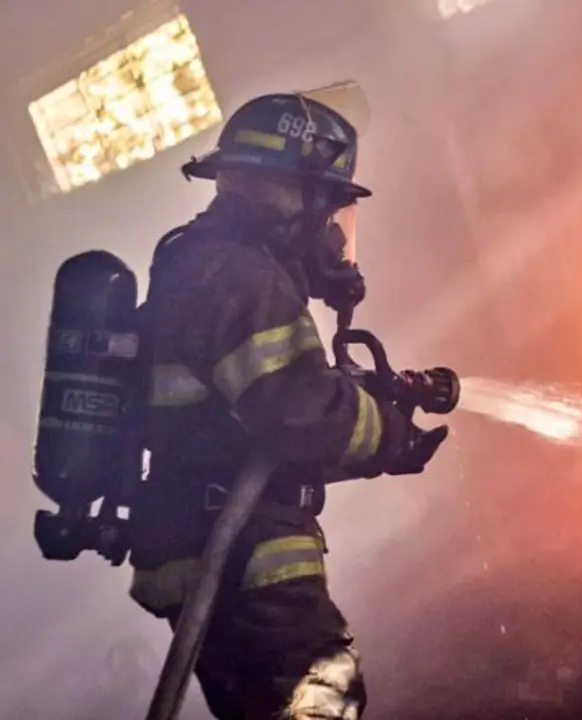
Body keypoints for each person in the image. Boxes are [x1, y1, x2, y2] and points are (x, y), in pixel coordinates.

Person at [127, 92, 449, 719]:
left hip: (229, 547)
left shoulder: (214, 265)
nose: (331, 226)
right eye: (324, 201)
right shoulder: (232, 273)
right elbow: (298, 411)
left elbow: (256, 431)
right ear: (280, 191)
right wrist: (389, 435)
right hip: (236, 555)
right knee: (320, 701)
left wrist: (368, 413)